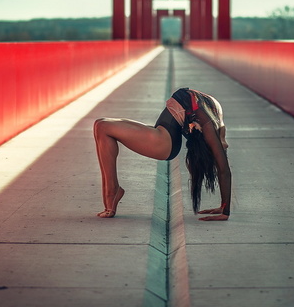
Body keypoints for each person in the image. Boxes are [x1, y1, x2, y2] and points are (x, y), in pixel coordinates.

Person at [93, 88, 232, 221]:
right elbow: (221, 151)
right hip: (162, 132)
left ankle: (112, 190)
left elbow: (224, 170)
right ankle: (113, 190)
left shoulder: (208, 124)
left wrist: (225, 211)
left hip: (163, 142)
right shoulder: (211, 112)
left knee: (102, 127)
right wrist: (223, 206)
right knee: (100, 123)